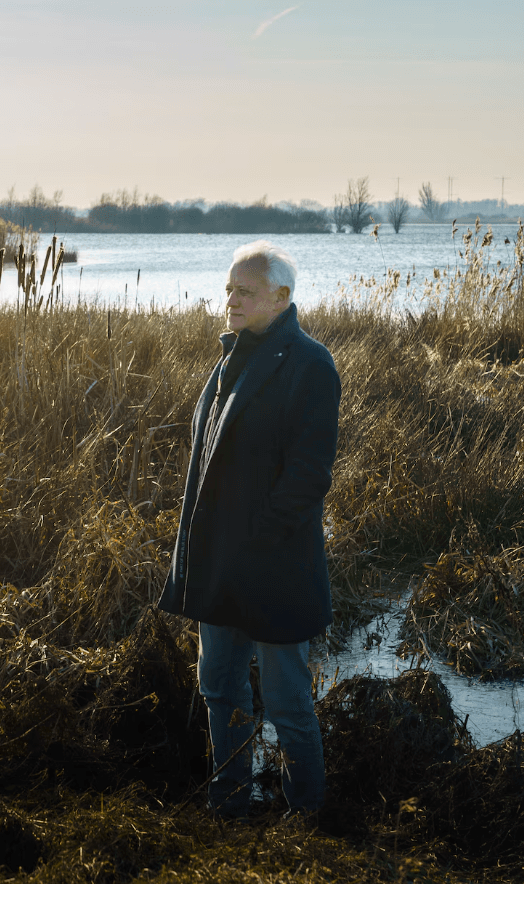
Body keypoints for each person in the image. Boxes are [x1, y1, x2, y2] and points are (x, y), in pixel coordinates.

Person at [156, 240, 340, 819]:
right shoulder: (228, 357)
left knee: (286, 702)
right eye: (229, 288)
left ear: (282, 298)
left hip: (274, 566)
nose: (230, 299)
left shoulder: (310, 365)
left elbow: (307, 478)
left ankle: (310, 813)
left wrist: (257, 544)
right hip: (219, 565)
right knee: (221, 690)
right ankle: (228, 802)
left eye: (245, 291)